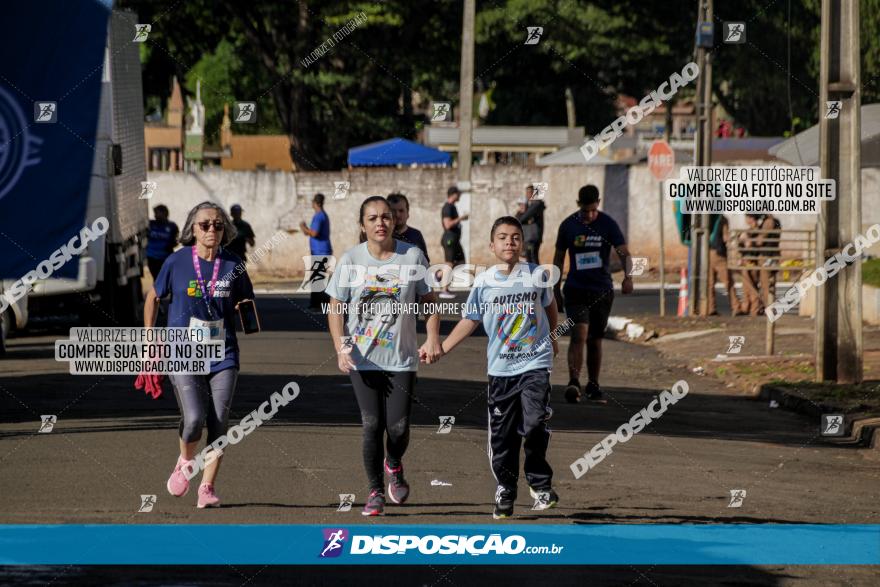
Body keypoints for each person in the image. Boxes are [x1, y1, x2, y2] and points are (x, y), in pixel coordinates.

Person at [325, 196, 442, 516]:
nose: (380, 223)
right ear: (362, 225)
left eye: (386, 217)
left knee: (399, 427)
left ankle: (394, 463)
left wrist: (432, 337)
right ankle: (375, 491)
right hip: (363, 359)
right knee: (372, 423)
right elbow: (336, 308)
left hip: (402, 358)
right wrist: (340, 347)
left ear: (394, 221)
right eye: (373, 218)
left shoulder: (413, 256)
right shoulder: (351, 260)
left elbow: (429, 302)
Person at [438, 216, 560, 519]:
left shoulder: (536, 275)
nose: (510, 242)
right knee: (503, 437)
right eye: (503, 237)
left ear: (523, 243)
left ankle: (539, 482)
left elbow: (550, 306)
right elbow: (471, 319)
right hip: (501, 370)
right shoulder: (485, 281)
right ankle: (506, 488)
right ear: (492, 245)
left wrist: (554, 338)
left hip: (535, 363)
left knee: (534, 424)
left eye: (516, 237)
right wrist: (442, 347)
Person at [144, 201, 255, 509]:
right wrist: (151, 337)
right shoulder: (176, 262)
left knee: (219, 421)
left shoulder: (234, 265)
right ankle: (184, 460)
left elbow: (245, 299)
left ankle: (206, 488)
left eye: (218, 226)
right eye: (205, 225)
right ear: (192, 229)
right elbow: (153, 297)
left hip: (223, 354)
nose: (211, 230)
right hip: (183, 351)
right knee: (193, 419)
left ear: (225, 231)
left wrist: (247, 315)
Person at [553, 184, 633, 404]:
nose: (588, 215)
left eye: (592, 210)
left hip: (602, 290)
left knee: (595, 339)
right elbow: (559, 258)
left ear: (598, 203)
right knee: (579, 333)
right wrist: (555, 289)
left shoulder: (608, 224)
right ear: (578, 205)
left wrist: (628, 277)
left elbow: (624, 251)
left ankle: (593, 385)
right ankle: (573, 382)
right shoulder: (568, 225)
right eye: (584, 210)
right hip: (576, 289)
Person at [739, 214, 781, 316]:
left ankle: (768, 308)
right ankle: (763, 307)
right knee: (765, 284)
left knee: (766, 284)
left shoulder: (768, 222)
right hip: (770, 256)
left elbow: (761, 239)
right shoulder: (772, 221)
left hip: (767, 256)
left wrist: (750, 241)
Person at [299, 194, 333, 311]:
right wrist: (306, 230)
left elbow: (314, 233)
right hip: (319, 251)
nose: (312, 204)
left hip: (321, 252)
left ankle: (323, 303)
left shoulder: (319, 216)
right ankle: (315, 303)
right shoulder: (321, 216)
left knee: (317, 278)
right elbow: (312, 232)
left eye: (313, 201)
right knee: (316, 278)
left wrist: (303, 227)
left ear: (316, 203)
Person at [708, 215, 744, 316]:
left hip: (707, 253)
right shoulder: (722, 219)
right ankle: (736, 307)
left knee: (710, 283)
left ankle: (710, 308)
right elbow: (725, 238)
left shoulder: (704, 217)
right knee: (728, 282)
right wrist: (736, 236)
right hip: (719, 255)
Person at [440, 186, 468, 299]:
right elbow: (447, 224)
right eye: (459, 194)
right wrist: (461, 218)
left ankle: (439, 275)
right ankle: (444, 290)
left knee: (461, 262)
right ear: (454, 194)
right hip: (449, 239)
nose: (460, 196)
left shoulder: (453, 207)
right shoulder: (447, 207)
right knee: (449, 264)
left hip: (455, 240)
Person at [387, 192, 429, 261]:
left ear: (407, 213)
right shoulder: (382, 236)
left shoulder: (416, 235)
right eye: (393, 211)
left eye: (401, 211)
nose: (397, 215)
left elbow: (424, 262)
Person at [146, 205, 179, 280]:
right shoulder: (150, 224)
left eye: (157, 213)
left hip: (165, 257)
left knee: (167, 278)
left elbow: (176, 241)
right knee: (157, 278)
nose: (155, 215)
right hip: (152, 257)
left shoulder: (172, 226)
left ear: (165, 213)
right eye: (155, 213)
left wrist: (170, 245)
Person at [515, 185, 546, 264]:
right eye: (527, 193)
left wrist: (520, 214)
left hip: (532, 237)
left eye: (529, 192)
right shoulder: (530, 205)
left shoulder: (536, 205)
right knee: (530, 258)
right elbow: (519, 219)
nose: (527, 195)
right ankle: (535, 275)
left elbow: (522, 218)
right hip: (529, 237)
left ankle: (538, 276)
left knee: (532, 258)